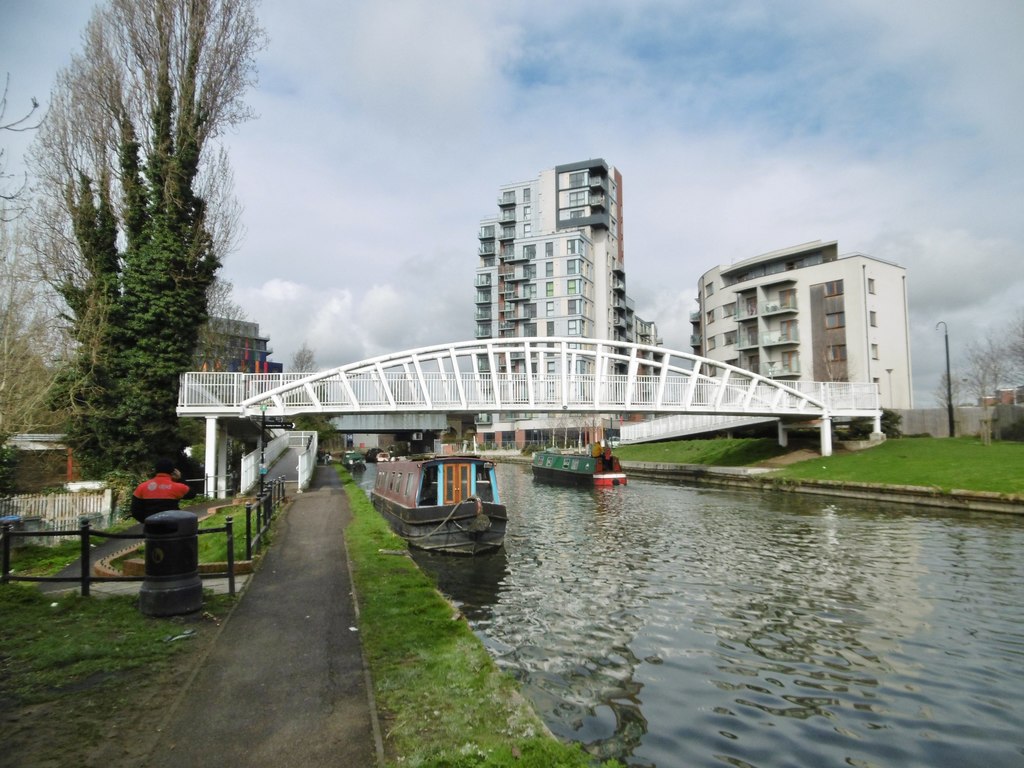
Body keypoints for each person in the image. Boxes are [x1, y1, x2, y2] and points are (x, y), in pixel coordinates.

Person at [130, 458, 197, 524]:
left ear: (156, 470)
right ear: (173, 471)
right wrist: (180, 479)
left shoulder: (142, 487)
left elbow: (135, 511)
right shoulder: (178, 487)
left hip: (151, 527)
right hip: (173, 526)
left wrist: (147, 521)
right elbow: (192, 494)